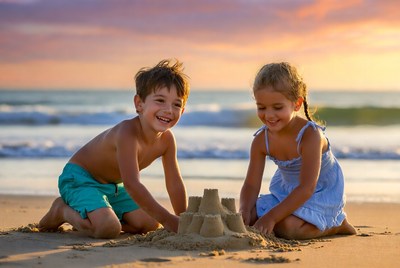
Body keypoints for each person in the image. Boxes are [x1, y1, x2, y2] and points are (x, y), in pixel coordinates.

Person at [39, 59, 190, 239]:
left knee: (149, 224)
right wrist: (168, 220)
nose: (168, 110)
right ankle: (62, 211)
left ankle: (102, 212)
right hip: (80, 179)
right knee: (108, 229)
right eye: (160, 100)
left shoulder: (167, 140)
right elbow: (132, 184)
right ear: (139, 104)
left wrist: (184, 219)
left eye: (177, 104)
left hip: (113, 187)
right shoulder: (127, 133)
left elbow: (174, 182)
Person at [239, 62, 357, 240]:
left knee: (288, 229)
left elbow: (306, 188)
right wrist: (244, 210)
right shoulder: (260, 140)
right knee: (251, 215)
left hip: (318, 192)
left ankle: (336, 224)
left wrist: (271, 217)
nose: (269, 115)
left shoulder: (310, 136)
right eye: (261, 107)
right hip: (287, 192)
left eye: (277, 108)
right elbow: (251, 185)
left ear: (296, 103)